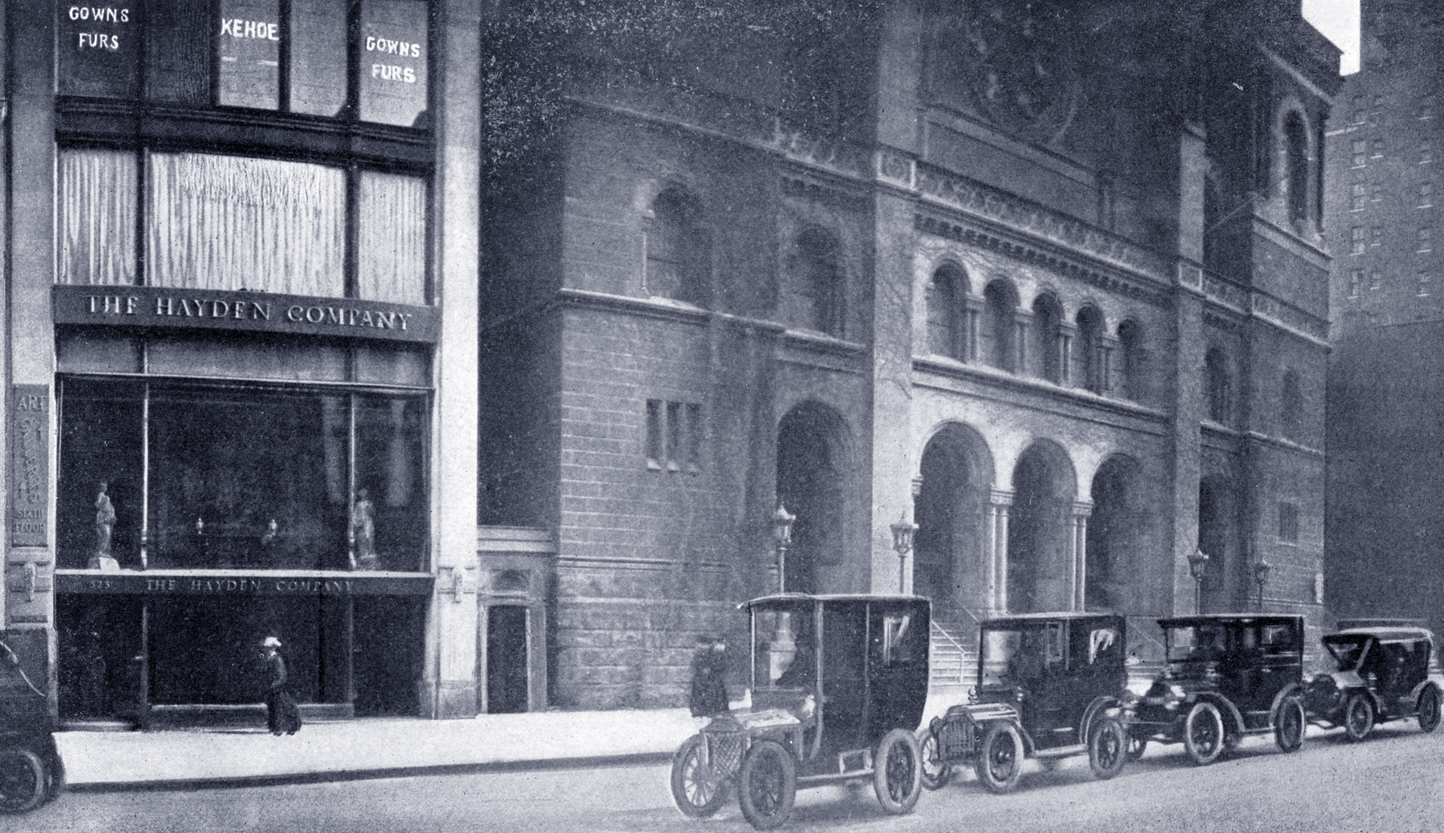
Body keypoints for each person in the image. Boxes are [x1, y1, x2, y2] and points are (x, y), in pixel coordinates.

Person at [260, 636, 301, 736]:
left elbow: (281, 675)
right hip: (272, 687)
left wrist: (274, 685)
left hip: (277, 688)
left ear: (272, 648)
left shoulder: (277, 659)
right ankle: (277, 728)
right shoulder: (269, 658)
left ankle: (282, 728)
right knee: (274, 708)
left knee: (281, 707)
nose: (265, 649)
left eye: (267, 648)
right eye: (265, 648)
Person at [689, 635, 729, 718]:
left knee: (712, 695)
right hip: (707, 679)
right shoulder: (706, 653)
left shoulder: (711, 653)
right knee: (709, 695)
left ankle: (708, 712)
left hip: (710, 679)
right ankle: (708, 712)